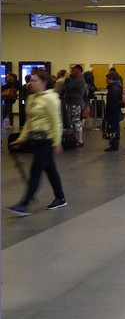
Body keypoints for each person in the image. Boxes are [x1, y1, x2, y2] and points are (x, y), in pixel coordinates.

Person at [5, 68, 67, 216]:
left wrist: (57, 143)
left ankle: (23, 204)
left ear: (44, 82)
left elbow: (57, 122)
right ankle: (60, 197)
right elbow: (29, 122)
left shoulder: (51, 99)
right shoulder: (32, 98)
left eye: (34, 80)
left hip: (46, 140)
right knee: (50, 169)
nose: (30, 83)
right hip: (35, 139)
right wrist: (21, 139)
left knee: (35, 171)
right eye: (31, 80)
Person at [62, 64, 87, 147]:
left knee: (76, 122)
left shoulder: (78, 80)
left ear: (77, 71)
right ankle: (77, 139)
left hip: (75, 104)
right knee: (74, 121)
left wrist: (68, 79)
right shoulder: (78, 80)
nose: (72, 73)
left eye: (73, 71)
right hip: (73, 103)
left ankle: (80, 140)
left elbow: (67, 87)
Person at [103, 72, 123, 152]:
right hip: (117, 112)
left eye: (107, 79)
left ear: (111, 79)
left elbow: (112, 103)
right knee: (116, 128)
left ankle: (114, 145)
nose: (106, 81)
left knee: (112, 129)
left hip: (112, 112)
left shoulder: (112, 89)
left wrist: (108, 114)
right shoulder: (118, 87)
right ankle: (115, 144)